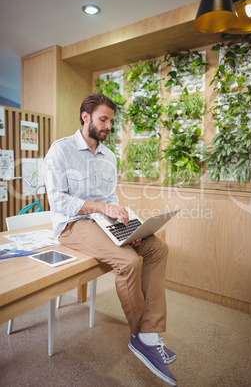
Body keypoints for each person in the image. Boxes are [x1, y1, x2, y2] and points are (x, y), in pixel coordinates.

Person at [44, 93, 177, 386]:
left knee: (157, 248)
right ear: (85, 116)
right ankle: (142, 336)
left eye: (111, 121)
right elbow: (57, 201)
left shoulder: (109, 157)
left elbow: (111, 199)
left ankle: (149, 334)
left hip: (105, 223)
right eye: (103, 119)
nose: (107, 126)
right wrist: (102, 209)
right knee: (128, 261)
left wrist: (127, 223)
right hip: (73, 225)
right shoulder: (60, 151)